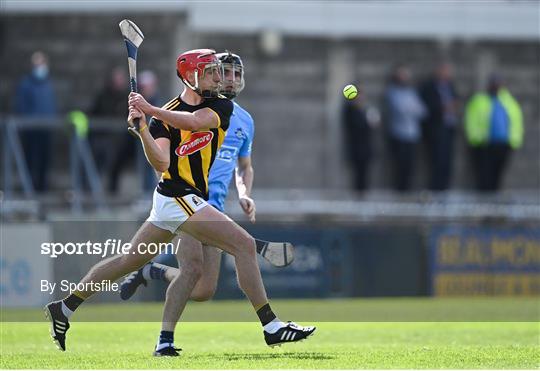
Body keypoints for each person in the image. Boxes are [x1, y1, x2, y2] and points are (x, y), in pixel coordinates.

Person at [44, 49, 315, 356]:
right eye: (211, 72)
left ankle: (64, 308)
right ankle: (271, 326)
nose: (218, 78)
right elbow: (160, 162)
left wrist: (150, 110)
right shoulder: (163, 117)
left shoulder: (219, 106)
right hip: (176, 197)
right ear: (191, 76)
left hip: (182, 200)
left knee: (129, 262)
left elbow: (196, 122)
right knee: (244, 245)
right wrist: (143, 128)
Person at [119, 52, 257, 306]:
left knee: (204, 290)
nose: (230, 79)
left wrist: (244, 192)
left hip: (216, 207)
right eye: (225, 72)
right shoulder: (190, 110)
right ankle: (165, 339)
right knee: (194, 272)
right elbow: (166, 153)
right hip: (188, 202)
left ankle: (152, 271)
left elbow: (244, 166)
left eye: (237, 74)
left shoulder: (245, 120)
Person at [464, 74, 523, 191]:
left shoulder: (509, 102)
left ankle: (494, 198)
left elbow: (517, 122)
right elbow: (470, 120)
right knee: (484, 175)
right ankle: (484, 199)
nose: (496, 87)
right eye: (494, 84)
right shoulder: (479, 100)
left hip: (504, 144)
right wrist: (475, 138)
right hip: (484, 143)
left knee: (498, 173)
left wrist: (515, 140)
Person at [14, 51, 57, 191]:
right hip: (31, 129)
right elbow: (21, 106)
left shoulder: (48, 84)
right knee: (31, 160)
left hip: (46, 128)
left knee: (45, 160)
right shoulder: (26, 84)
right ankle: (29, 188)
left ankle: (42, 187)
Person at [384, 65, 426, 191]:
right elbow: (400, 110)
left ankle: (407, 190)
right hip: (399, 134)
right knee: (399, 166)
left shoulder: (411, 92)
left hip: (412, 134)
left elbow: (422, 111)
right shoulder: (392, 92)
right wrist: (411, 108)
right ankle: (399, 190)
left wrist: (410, 109)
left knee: (410, 166)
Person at [419, 62, 460, 191]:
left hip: (449, 128)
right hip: (435, 129)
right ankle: (436, 189)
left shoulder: (450, 86)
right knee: (437, 160)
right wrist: (443, 107)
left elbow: (456, 100)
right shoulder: (429, 86)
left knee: (447, 161)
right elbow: (427, 107)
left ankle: (445, 188)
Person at [341, 84, 379, 191]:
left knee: (365, 174)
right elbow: (356, 126)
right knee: (358, 175)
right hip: (356, 147)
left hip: (365, 147)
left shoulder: (365, 110)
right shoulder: (350, 110)